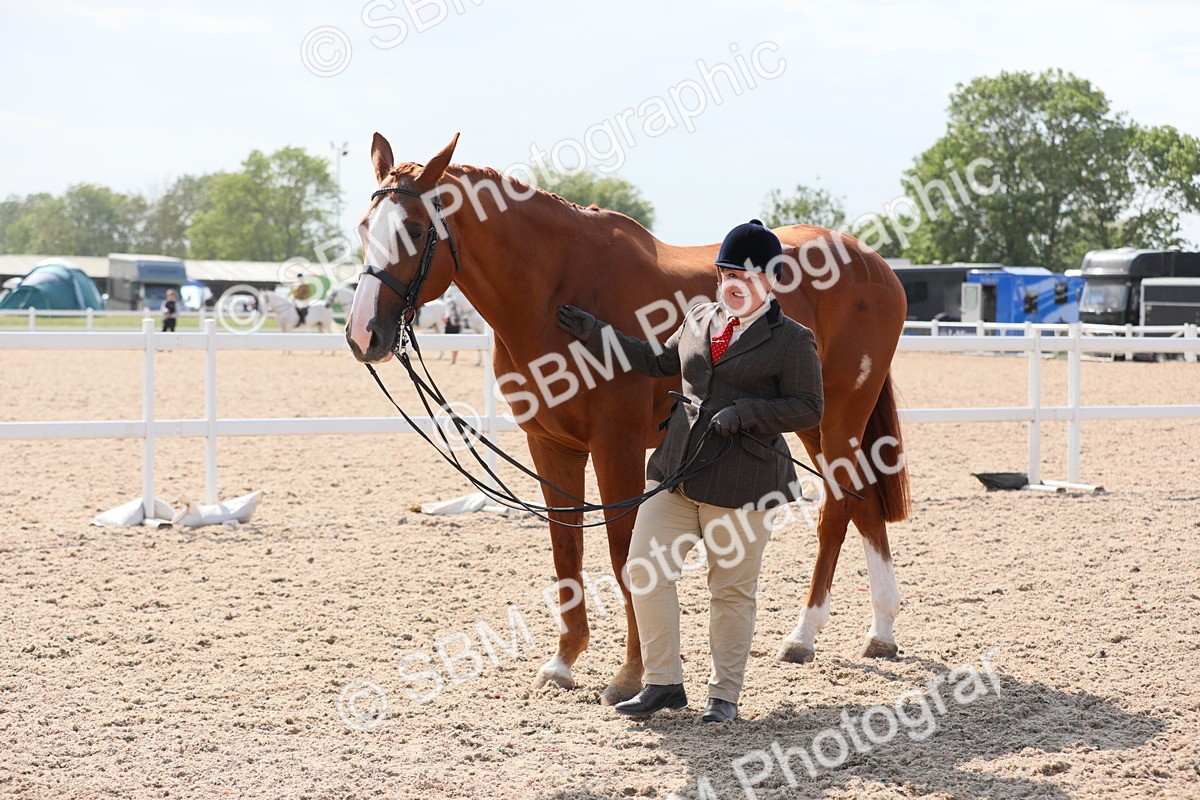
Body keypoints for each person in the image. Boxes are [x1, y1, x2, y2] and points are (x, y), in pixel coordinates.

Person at [556, 219, 823, 723]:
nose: (733, 283)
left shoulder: (793, 340)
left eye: (745, 275)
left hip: (743, 483)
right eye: (726, 273)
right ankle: (663, 682)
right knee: (644, 569)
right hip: (677, 471)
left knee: (730, 591)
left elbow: (809, 407)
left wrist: (744, 414)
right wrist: (598, 334)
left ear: (771, 281)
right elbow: (659, 362)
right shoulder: (700, 316)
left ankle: (723, 697)